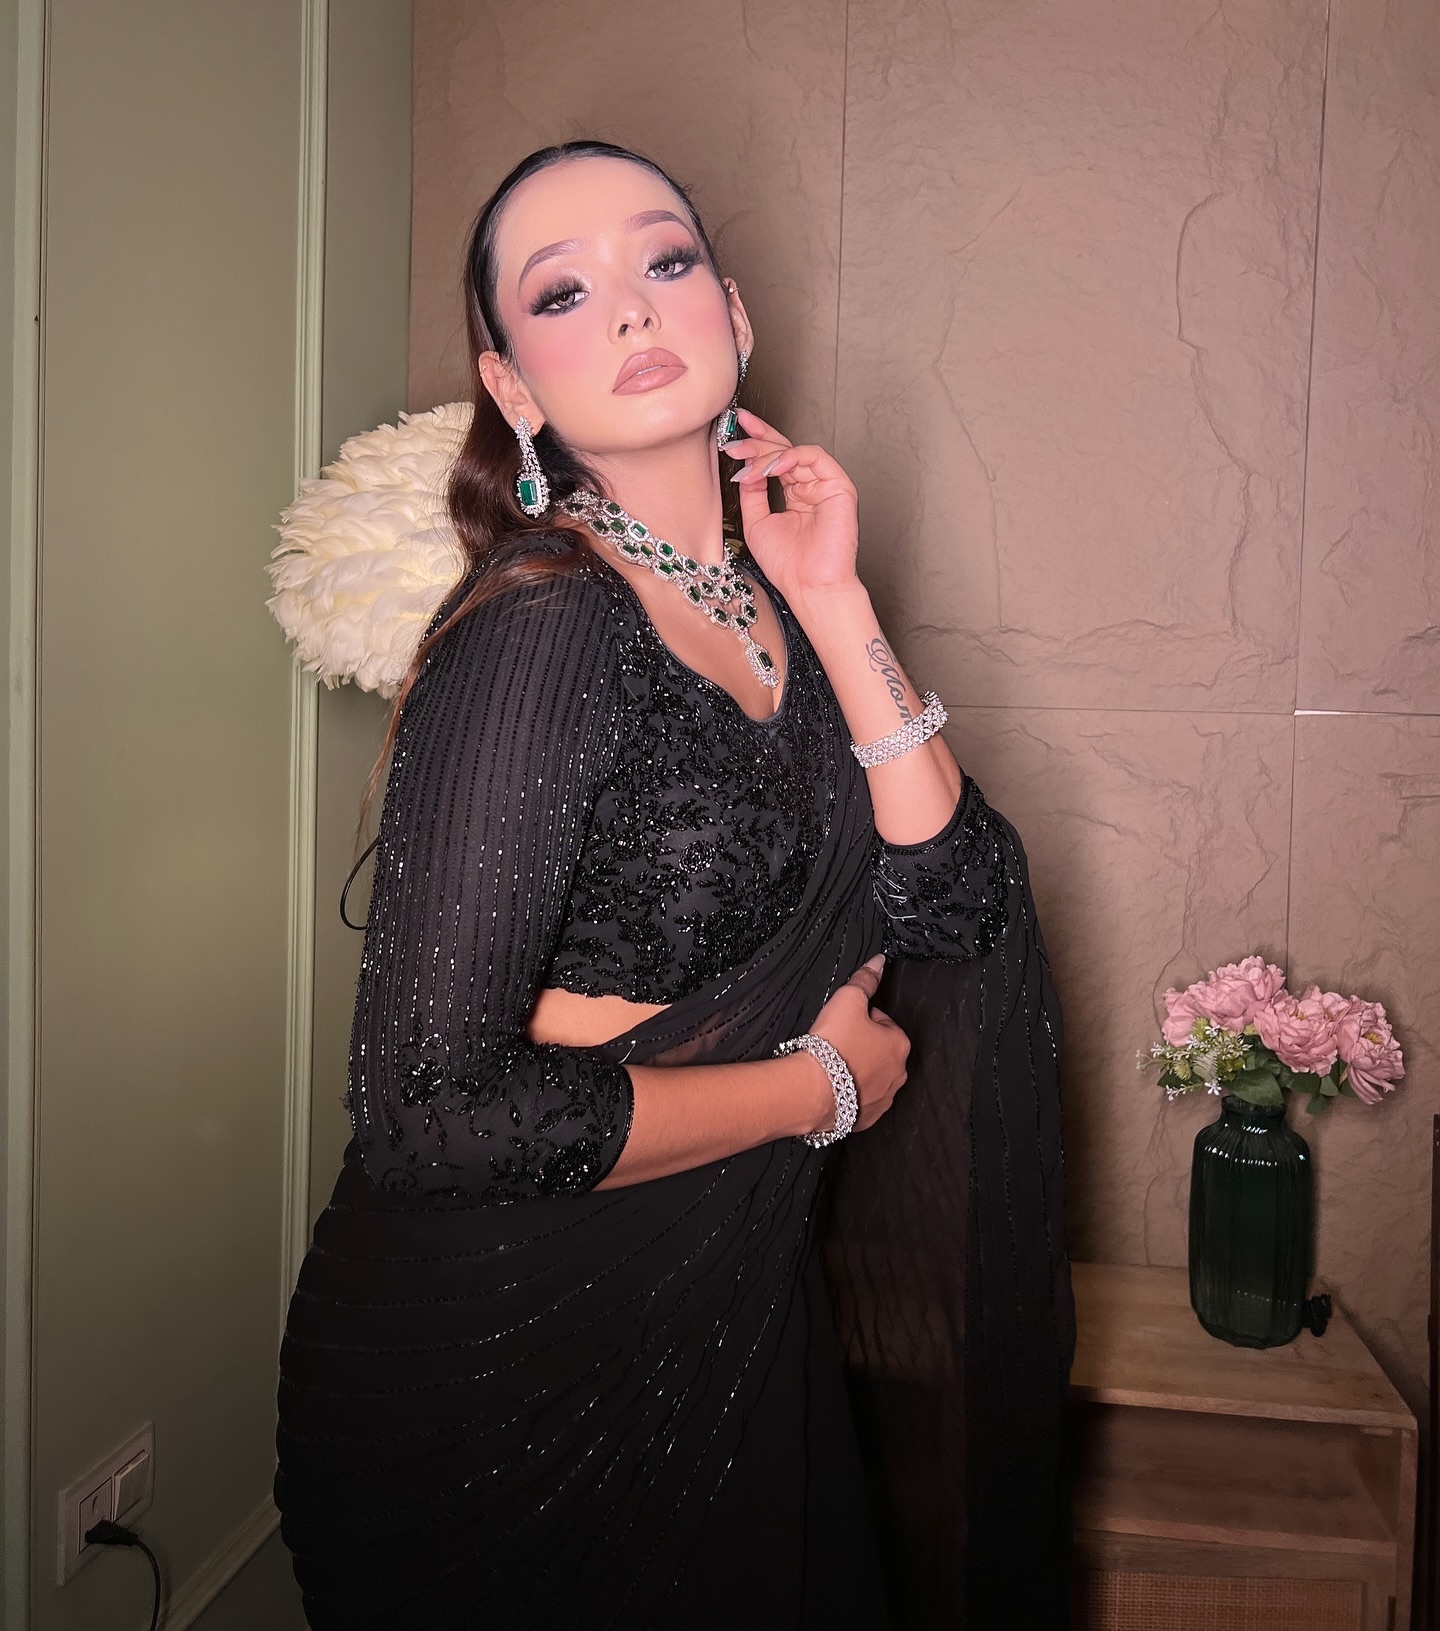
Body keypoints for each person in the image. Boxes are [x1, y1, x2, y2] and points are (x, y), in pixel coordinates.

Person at [274, 139, 1075, 1630]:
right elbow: (427, 1113)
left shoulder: (774, 605)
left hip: (725, 1301)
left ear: (735, 313)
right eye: (563, 293)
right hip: (504, 1363)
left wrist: (836, 600)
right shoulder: (544, 623)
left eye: (665, 261)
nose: (634, 308)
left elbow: (958, 901)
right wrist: (812, 1090)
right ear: (512, 386)